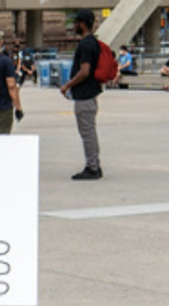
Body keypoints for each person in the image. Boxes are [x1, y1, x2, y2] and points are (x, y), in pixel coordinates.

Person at [61, 9, 104, 180]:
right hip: (90, 93)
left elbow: (84, 71)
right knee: (89, 132)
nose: (74, 25)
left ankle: (93, 168)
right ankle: (94, 165)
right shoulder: (93, 42)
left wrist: (67, 85)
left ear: (83, 24)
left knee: (87, 133)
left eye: (76, 22)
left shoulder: (86, 45)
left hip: (85, 95)